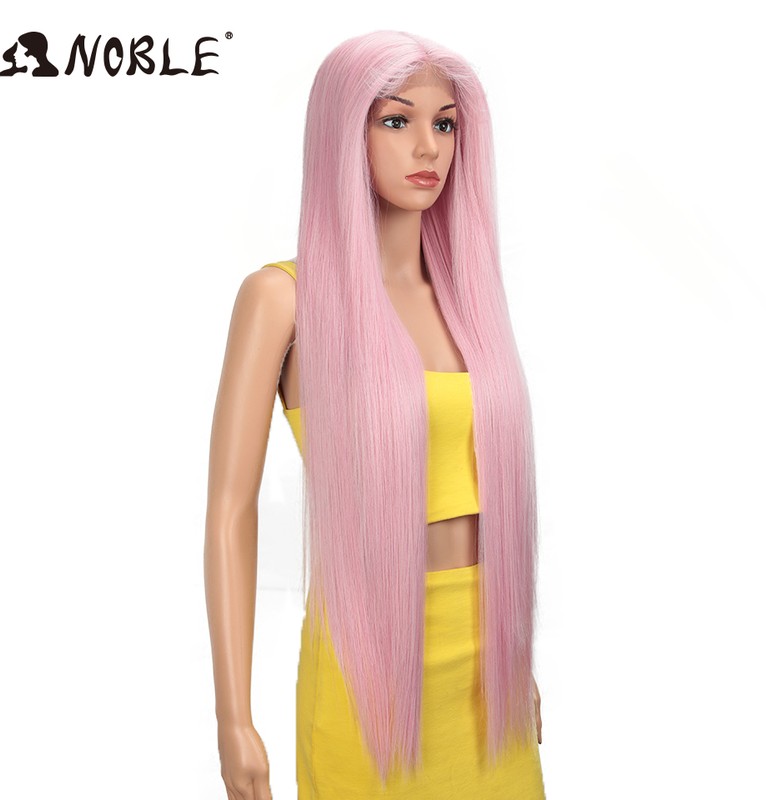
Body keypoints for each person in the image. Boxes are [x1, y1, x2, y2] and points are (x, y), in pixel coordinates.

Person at [205, 30, 546, 799]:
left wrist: (515, 659)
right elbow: (229, 511)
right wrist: (234, 718)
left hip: (489, 681)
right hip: (369, 673)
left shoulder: (469, 305)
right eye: (396, 120)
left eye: (445, 123)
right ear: (343, 133)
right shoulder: (282, 300)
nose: (428, 146)